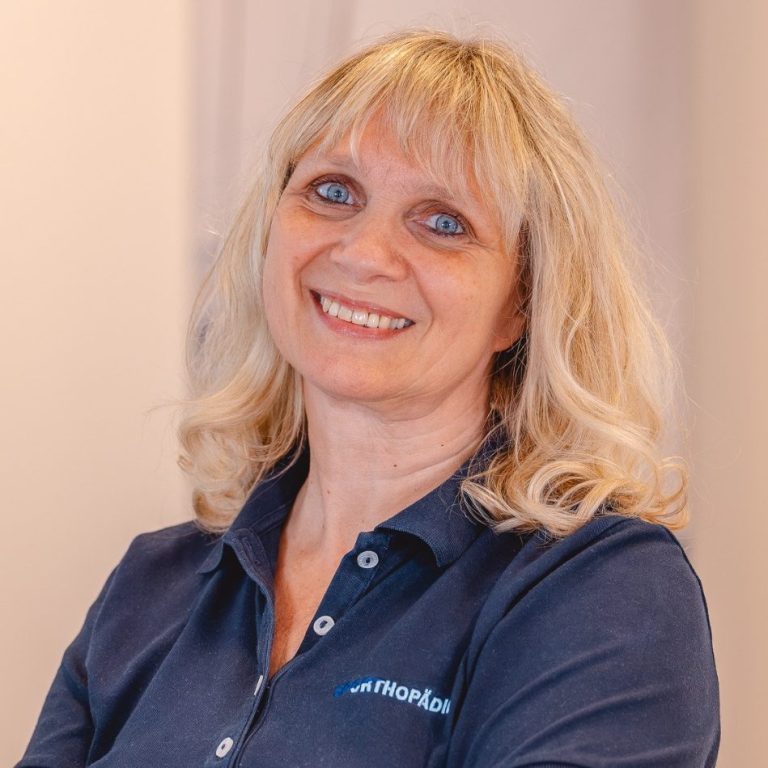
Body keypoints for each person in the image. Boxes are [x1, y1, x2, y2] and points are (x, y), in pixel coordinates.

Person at [18, 29, 719, 767]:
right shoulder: (148, 588)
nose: (362, 253)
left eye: (443, 222)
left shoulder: (602, 593)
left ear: (522, 304)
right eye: (333, 192)